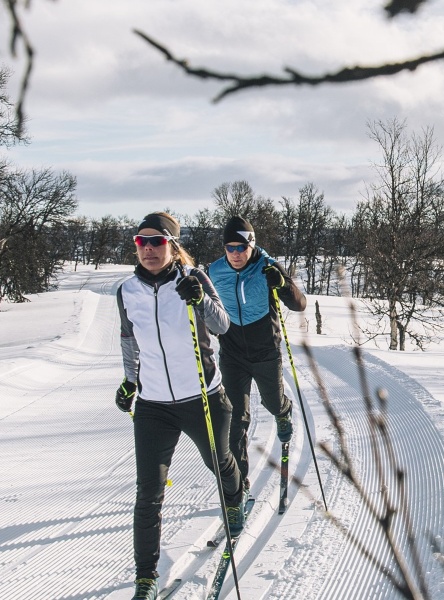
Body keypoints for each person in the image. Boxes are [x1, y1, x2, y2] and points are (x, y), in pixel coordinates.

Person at [114, 212, 244, 600]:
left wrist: (200, 300)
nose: (149, 249)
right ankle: (146, 577)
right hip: (153, 405)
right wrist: (130, 381)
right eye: (142, 242)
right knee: (148, 492)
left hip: (202, 397)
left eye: (157, 241)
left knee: (219, 462)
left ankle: (235, 502)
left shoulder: (193, 279)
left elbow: (222, 326)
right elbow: (128, 341)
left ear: (172, 244)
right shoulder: (126, 291)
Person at [206, 215, 308, 494]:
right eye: (230, 247)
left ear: (252, 245)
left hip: (265, 352)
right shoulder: (213, 272)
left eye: (241, 247)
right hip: (232, 354)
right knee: (235, 420)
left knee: (272, 402)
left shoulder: (267, 267)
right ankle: (239, 486)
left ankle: (283, 411)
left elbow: (299, 304)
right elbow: (205, 309)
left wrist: (282, 284)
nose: (236, 254)